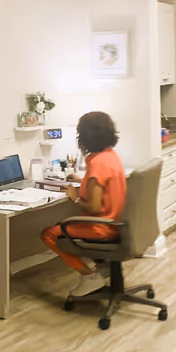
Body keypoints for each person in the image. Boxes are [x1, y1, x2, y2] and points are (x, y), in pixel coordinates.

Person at [39, 111, 127, 296]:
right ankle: (102, 267)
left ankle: (89, 276)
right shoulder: (110, 156)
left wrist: (75, 196)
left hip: (101, 227)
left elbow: (94, 207)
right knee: (61, 226)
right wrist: (82, 180)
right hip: (116, 223)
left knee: (49, 234)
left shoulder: (97, 164)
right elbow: (102, 183)